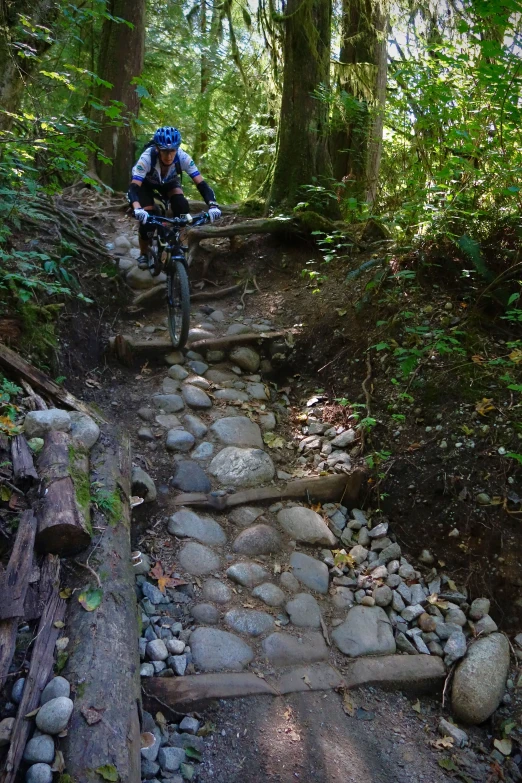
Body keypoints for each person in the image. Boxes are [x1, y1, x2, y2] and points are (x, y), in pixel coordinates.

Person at [128, 126, 221, 270]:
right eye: (165, 151)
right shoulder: (147, 158)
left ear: (177, 148)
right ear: (157, 149)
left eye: (172, 150)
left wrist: (213, 205)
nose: (169, 155)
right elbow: (134, 188)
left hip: (169, 182)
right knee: (148, 221)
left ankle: (179, 241)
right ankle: (144, 253)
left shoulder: (183, 157)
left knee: (182, 206)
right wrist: (137, 209)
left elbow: (202, 184)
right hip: (146, 184)